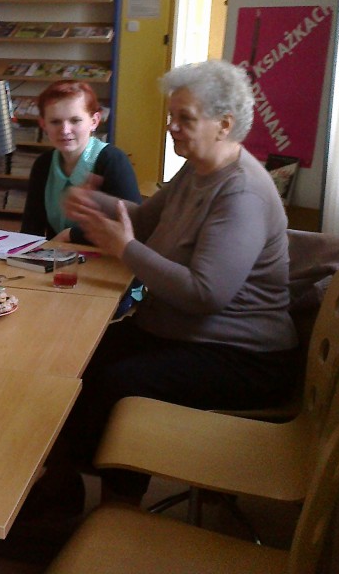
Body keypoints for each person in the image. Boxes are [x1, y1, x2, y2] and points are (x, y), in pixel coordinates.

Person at [56, 60, 300, 505]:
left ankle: (117, 507)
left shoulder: (241, 192)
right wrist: (94, 202)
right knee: (74, 356)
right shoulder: (197, 169)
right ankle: (62, 485)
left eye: (184, 118)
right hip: (182, 333)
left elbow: (205, 293)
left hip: (241, 355)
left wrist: (125, 249)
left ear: (224, 124)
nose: (171, 127)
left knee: (120, 383)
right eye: (172, 116)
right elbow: (145, 220)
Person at [20, 80, 141, 241]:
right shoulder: (43, 164)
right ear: (43, 124)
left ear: (94, 121)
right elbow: (31, 227)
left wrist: (71, 234)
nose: (65, 130)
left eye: (75, 120)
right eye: (55, 122)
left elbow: (133, 225)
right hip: (57, 253)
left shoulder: (113, 161)